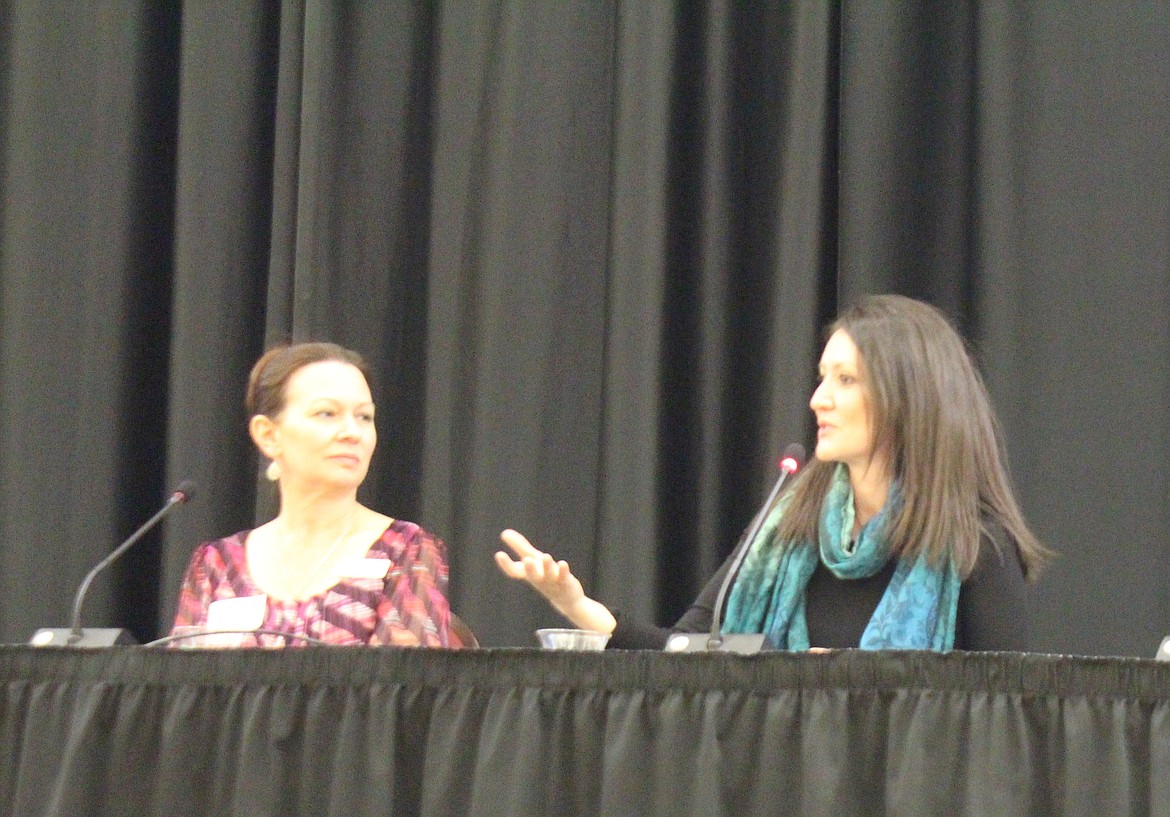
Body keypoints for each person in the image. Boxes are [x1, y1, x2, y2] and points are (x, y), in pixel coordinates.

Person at [495, 295, 1050, 651]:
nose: (817, 400)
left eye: (845, 381)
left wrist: (861, 688)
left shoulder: (976, 549)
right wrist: (576, 605)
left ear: (909, 399)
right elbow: (692, 653)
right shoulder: (786, 528)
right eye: (821, 378)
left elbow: (1000, 726)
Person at [171, 342, 469, 648]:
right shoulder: (216, 564)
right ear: (268, 434)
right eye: (327, 414)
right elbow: (182, 692)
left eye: (365, 417)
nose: (352, 432)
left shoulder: (405, 550)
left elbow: (400, 688)